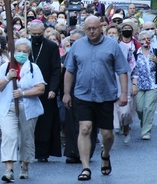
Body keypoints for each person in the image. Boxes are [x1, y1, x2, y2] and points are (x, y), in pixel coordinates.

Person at [63, 16, 130, 181]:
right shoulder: (77, 46)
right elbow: (69, 70)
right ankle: (85, 167)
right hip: (83, 94)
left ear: (101, 28)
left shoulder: (112, 45)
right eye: (88, 29)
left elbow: (122, 70)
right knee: (84, 129)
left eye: (94, 28)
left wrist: (123, 93)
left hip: (105, 95)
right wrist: (66, 93)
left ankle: (105, 154)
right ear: (84, 29)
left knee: (107, 134)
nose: (92, 31)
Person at [0, 38, 46, 182]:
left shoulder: (34, 68)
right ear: (13, 52)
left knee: (26, 138)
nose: (21, 54)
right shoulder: (6, 67)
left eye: (24, 51)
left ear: (29, 53)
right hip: (8, 107)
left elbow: (41, 88)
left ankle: (25, 165)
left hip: (28, 107)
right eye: (19, 51)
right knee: (9, 135)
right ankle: (9, 170)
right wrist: (8, 78)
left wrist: (23, 93)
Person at [62, 28, 98, 164]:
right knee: (71, 123)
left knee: (87, 124)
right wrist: (65, 93)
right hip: (73, 90)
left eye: (75, 41)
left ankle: (86, 152)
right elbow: (66, 73)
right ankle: (72, 152)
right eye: (71, 42)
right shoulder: (69, 55)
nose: (73, 44)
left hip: (90, 92)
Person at [28, 20, 61, 163]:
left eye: (39, 34)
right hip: (27, 89)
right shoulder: (25, 46)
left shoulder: (51, 46)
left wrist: (53, 89)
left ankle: (43, 152)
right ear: (29, 33)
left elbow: (55, 70)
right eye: (33, 34)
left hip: (46, 89)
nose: (36, 36)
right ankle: (28, 150)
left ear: (43, 32)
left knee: (45, 122)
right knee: (29, 121)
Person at [133, 30, 157, 140]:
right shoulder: (135, 53)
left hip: (152, 85)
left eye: (148, 39)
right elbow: (132, 69)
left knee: (148, 108)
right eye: (143, 39)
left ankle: (146, 131)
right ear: (139, 41)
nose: (146, 41)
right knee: (140, 108)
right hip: (140, 85)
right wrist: (133, 84)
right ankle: (145, 123)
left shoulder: (155, 51)